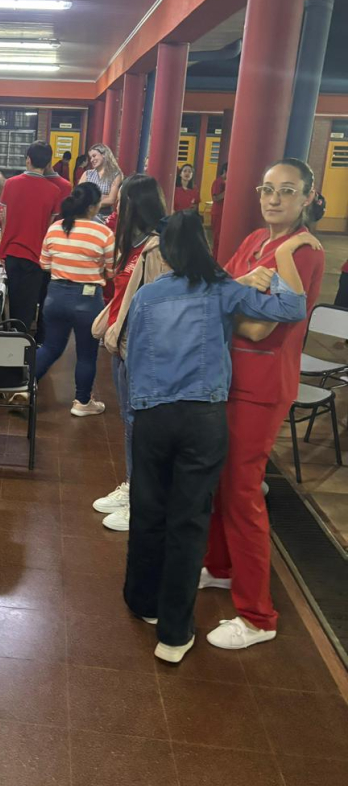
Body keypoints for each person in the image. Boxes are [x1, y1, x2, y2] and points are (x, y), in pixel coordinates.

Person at [123, 211, 314, 664]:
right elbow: (292, 308)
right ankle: (174, 635)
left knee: (148, 511)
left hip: (152, 415)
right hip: (203, 419)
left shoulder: (148, 296)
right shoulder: (221, 289)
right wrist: (287, 254)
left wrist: (139, 409)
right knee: (189, 521)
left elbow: (134, 356)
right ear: (203, 247)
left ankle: (143, 601)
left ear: (167, 254)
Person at [201, 158, 325, 649]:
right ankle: (220, 566)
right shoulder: (255, 239)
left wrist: (230, 300)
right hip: (230, 377)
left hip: (262, 385)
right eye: (267, 189)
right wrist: (233, 295)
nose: (274, 198)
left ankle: (258, 616)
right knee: (219, 480)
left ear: (308, 197)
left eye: (287, 190)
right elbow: (216, 290)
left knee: (242, 491)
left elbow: (258, 327)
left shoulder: (303, 251)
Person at [91, 174, 168, 531]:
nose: (116, 208)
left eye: (121, 202)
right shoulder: (134, 244)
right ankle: (132, 486)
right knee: (130, 424)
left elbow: (160, 307)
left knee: (141, 427)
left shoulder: (158, 249)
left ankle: (143, 501)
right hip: (121, 345)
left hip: (142, 352)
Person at [36, 183, 115, 416]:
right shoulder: (103, 233)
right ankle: (82, 402)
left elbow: (44, 264)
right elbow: (111, 271)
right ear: (92, 207)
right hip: (88, 300)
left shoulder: (55, 227)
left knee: (50, 347)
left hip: (55, 296)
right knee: (87, 354)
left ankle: (23, 388)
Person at [0, 141, 63, 330]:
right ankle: (23, 340)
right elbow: (49, 227)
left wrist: (2, 248)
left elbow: (3, 219)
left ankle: (11, 336)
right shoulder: (55, 191)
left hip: (11, 252)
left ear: (28, 159)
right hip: (36, 255)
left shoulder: (10, 184)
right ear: (48, 163)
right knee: (28, 305)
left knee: (11, 300)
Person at [79, 144, 123, 220]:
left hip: (104, 216)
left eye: (94, 156)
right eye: (90, 157)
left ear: (104, 155)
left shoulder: (115, 175)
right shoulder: (87, 174)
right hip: (86, 215)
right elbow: (79, 195)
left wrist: (89, 200)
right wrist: (103, 197)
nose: (91, 160)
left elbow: (111, 199)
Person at [210, 162, 228, 259]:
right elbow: (215, 198)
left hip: (225, 214)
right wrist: (228, 190)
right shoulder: (218, 182)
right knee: (217, 238)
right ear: (225, 171)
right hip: (218, 213)